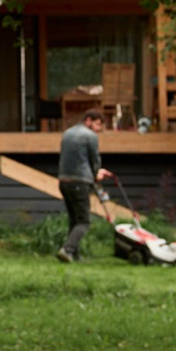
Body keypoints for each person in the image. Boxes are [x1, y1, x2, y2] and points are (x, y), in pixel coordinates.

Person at [55, 111, 115, 262]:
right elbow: (95, 160)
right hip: (80, 181)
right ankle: (67, 249)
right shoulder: (90, 136)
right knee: (84, 221)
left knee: (74, 219)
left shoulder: (67, 133)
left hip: (63, 181)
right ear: (88, 120)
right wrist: (97, 174)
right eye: (97, 124)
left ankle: (74, 255)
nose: (98, 129)